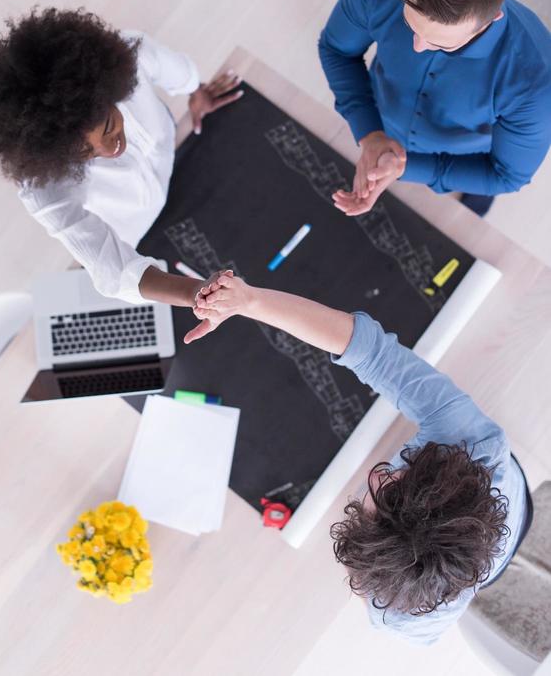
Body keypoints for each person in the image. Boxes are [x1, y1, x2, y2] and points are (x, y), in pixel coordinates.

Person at [187, 272, 532, 644]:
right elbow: (370, 351)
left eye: (376, 498)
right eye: (393, 483)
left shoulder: (403, 620)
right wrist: (250, 301)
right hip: (516, 504)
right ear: (441, 472)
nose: (380, 477)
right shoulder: (473, 444)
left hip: (494, 547)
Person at [0, 7, 242, 308]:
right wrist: (195, 294)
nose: (111, 150)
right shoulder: (42, 186)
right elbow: (113, 271)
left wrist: (196, 91)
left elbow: (176, 71)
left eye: (110, 127)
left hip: (171, 163)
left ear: (111, 89)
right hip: (132, 231)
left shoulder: (131, 54)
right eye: (85, 153)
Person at [318, 0, 551, 217]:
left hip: (465, 155)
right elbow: (336, 50)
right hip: (381, 113)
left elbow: (506, 175)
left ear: (488, 23)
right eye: (410, 24)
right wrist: (369, 133)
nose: (418, 47)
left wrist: (407, 167)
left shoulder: (537, 84)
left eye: (439, 43)